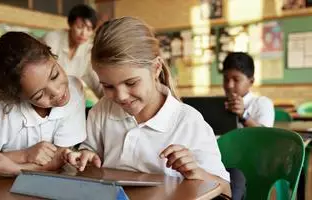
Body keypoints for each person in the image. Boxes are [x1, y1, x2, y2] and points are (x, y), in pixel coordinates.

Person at [62, 17, 231, 197]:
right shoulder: (102, 110)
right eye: (108, 86)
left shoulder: (188, 122)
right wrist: (85, 156)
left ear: (156, 68)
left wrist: (197, 172)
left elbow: (226, 190)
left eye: (131, 83)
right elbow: (90, 154)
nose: (120, 96)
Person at [0, 32, 86, 176]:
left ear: (52, 55)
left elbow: (59, 160)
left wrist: (15, 169)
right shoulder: (6, 110)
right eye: (39, 95)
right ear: (18, 97)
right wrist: (23, 155)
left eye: (55, 75)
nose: (57, 91)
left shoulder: (74, 91)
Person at [42, 4, 103, 98]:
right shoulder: (52, 39)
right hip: (46, 94)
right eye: (79, 27)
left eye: (89, 29)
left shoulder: (88, 49)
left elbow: (97, 82)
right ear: (70, 24)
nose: (83, 33)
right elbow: (43, 75)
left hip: (66, 97)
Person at [222, 52, 274, 128]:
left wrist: (243, 115)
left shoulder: (262, 103)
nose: (229, 85)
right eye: (226, 79)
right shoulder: (219, 105)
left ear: (251, 81)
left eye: (236, 80)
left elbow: (265, 136)